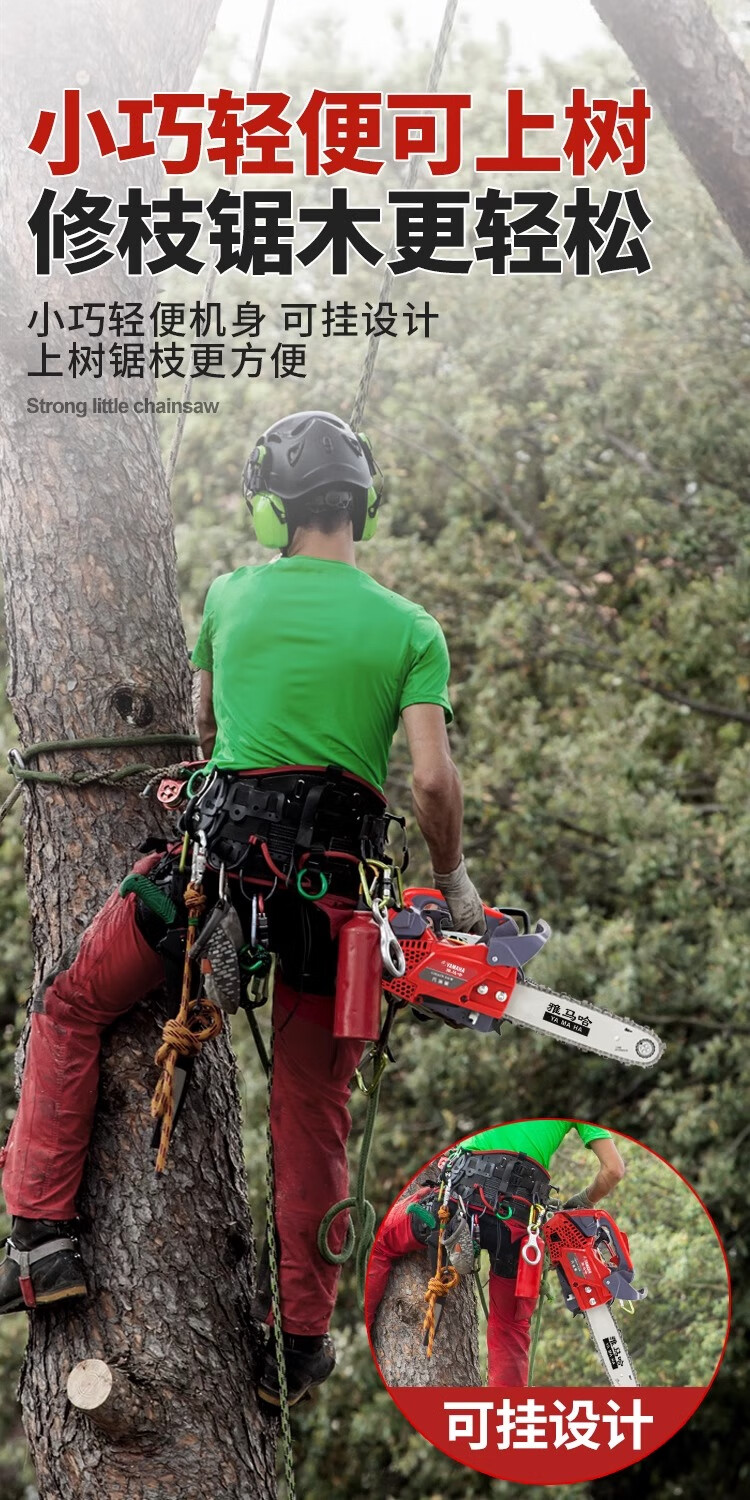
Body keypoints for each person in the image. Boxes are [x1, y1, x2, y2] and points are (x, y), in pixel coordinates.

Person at [0, 410, 486, 1408]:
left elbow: (211, 728)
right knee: (314, 1110)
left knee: (72, 1005)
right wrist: (457, 883)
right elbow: (433, 785)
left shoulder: (230, 594)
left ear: (273, 511)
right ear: (364, 505)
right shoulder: (410, 629)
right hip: (332, 902)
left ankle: (42, 1240)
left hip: (209, 870)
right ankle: (300, 1343)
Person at [366, 1118, 626, 1385]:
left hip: (462, 1197)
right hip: (518, 1220)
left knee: (382, 1245)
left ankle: (368, 1333)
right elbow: (614, 1170)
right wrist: (581, 1201)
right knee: (511, 1328)